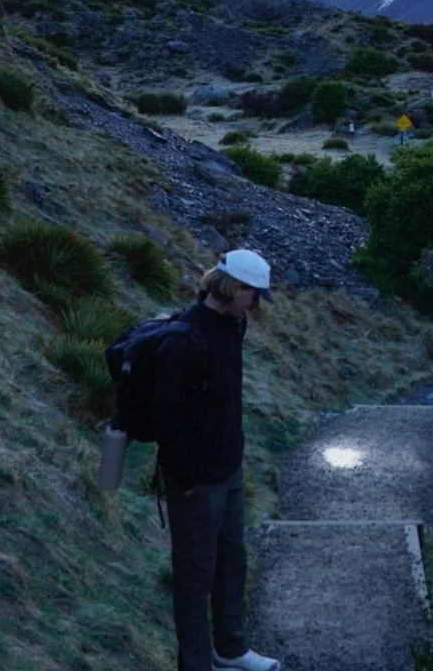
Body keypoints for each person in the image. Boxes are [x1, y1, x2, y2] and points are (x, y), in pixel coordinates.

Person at [152, 249, 281, 671]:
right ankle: (195, 664)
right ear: (233, 288)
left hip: (227, 468)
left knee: (231, 560)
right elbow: (165, 419)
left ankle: (230, 649)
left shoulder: (234, 323)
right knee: (194, 574)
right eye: (253, 294)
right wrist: (186, 477)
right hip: (197, 479)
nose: (257, 305)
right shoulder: (183, 341)